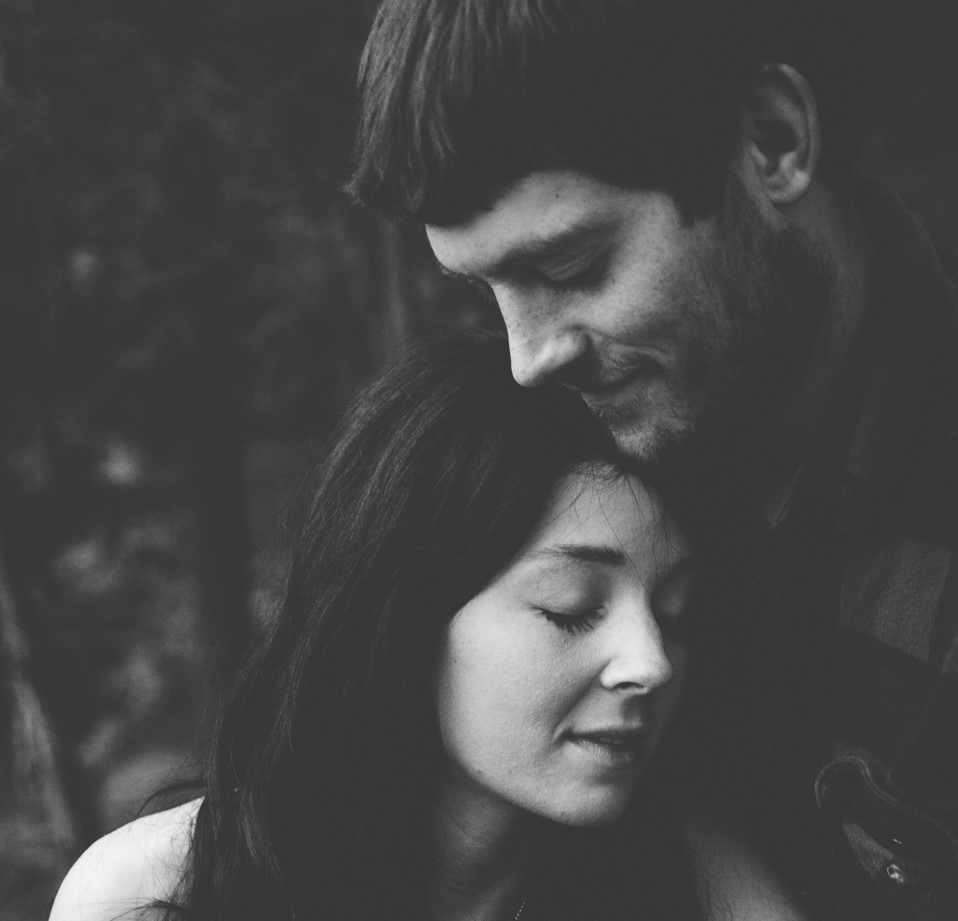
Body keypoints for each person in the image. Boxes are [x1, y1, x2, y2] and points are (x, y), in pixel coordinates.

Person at [345, 1, 958, 919]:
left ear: (773, 141)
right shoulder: (571, 452)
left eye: (573, 266)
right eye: (483, 289)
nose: (528, 358)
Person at [48, 335, 807, 921]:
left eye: (674, 612)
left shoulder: (685, 876)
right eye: (571, 606)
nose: (653, 661)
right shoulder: (159, 894)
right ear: (408, 612)